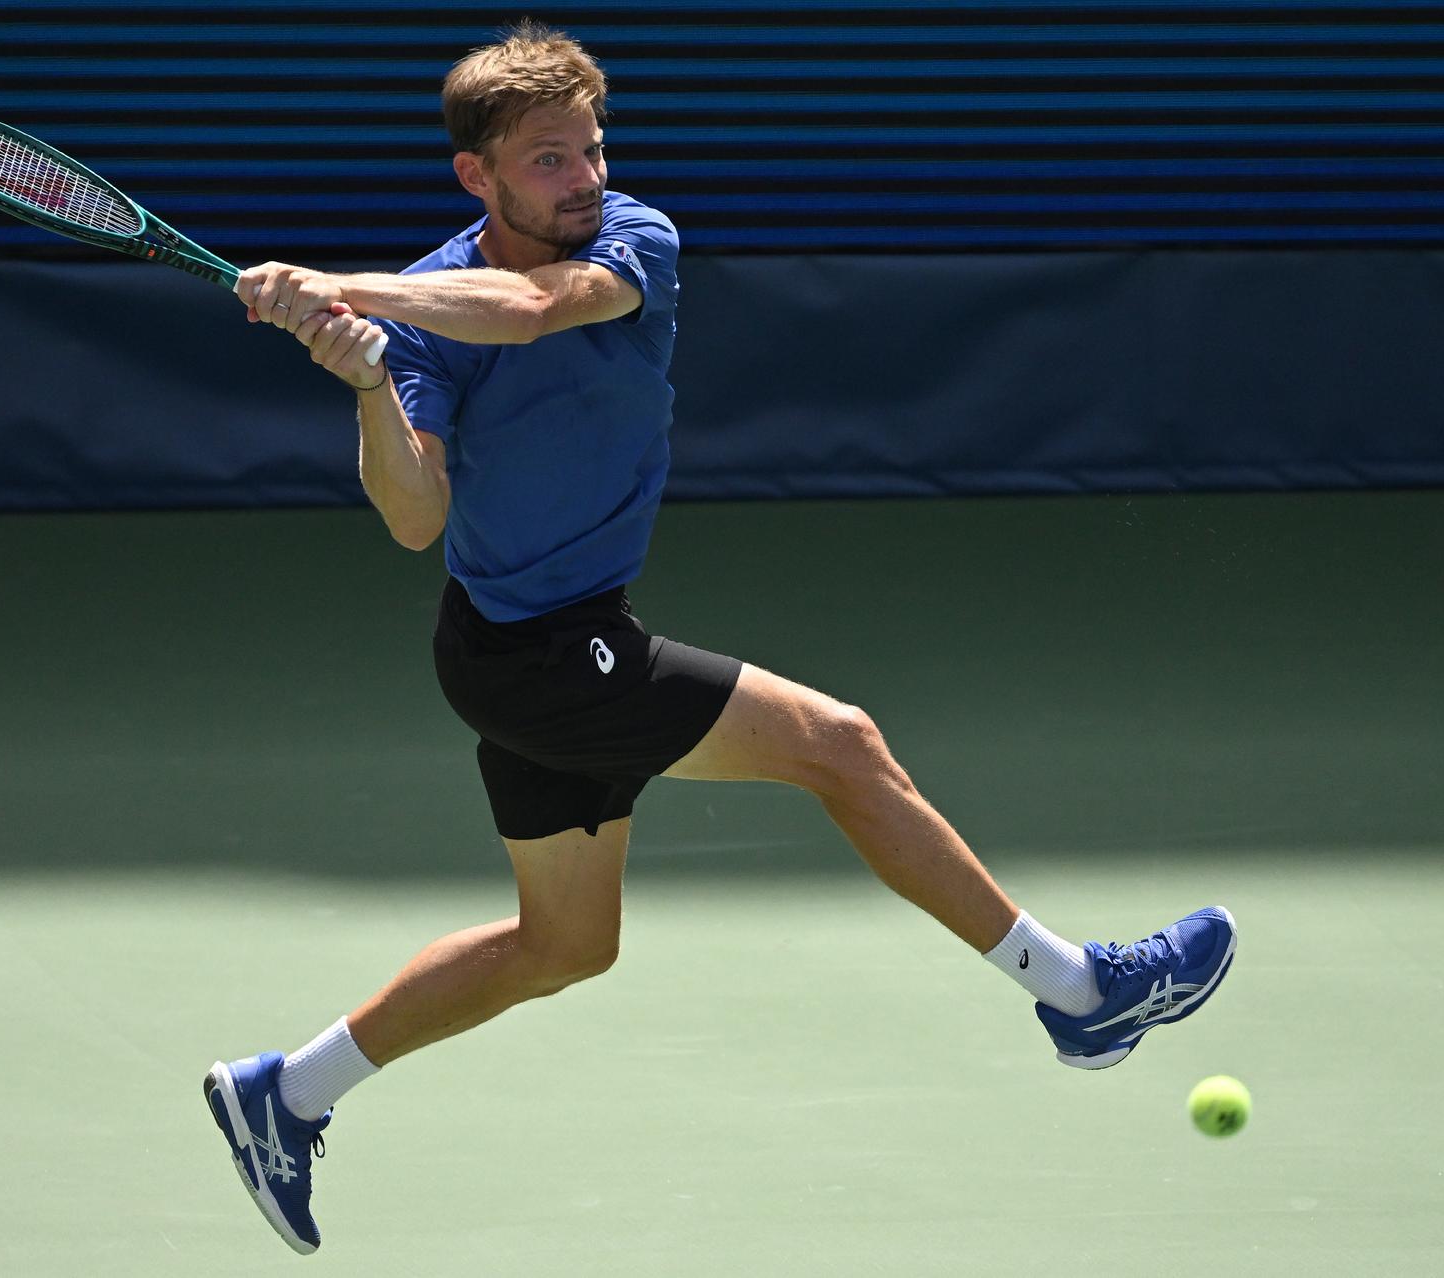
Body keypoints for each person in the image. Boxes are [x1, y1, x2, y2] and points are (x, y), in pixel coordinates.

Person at [201, 21, 1236, 1256]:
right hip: (525, 654)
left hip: (557, 639)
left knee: (564, 945)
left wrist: (340, 289)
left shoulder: (633, 241)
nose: (585, 176)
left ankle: (287, 1093)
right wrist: (372, 383)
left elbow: (534, 310)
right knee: (840, 746)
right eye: (547, 160)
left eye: (591, 147)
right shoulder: (426, 319)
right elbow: (414, 517)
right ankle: (1080, 994)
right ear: (475, 175)